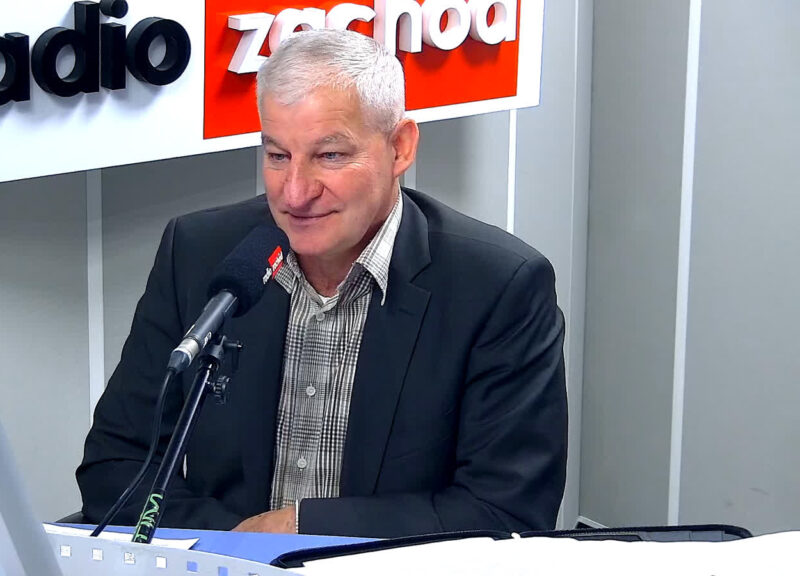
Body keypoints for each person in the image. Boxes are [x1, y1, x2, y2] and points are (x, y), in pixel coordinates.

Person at [77, 29, 567, 538]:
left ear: (400, 148)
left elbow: (506, 511)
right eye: (278, 156)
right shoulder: (199, 254)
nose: (295, 193)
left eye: (329, 156)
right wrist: (236, 543)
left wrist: (302, 529)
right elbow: (117, 465)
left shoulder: (499, 287)